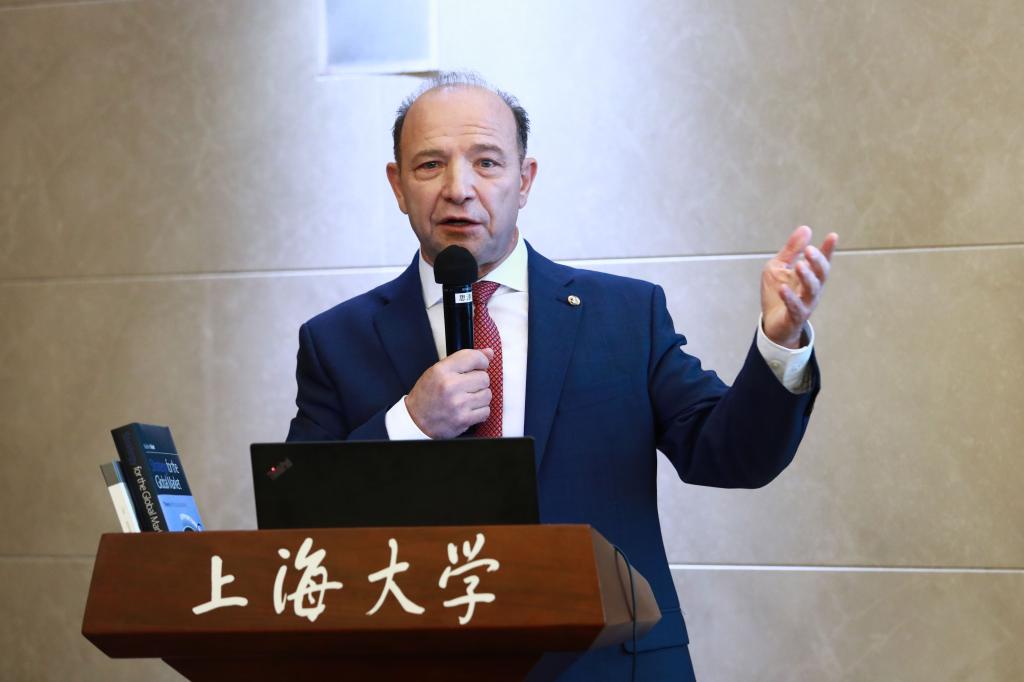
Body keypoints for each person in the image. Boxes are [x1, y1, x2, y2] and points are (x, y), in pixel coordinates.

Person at [287, 71, 837, 681]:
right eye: (430, 165)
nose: (459, 189)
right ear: (397, 184)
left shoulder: (624, 316)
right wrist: (409, 425)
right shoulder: (337, 339)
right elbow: (298, 522)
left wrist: (780, 344)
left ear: (524, 180)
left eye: (487, 163)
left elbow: (730, 455)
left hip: (607, 666)